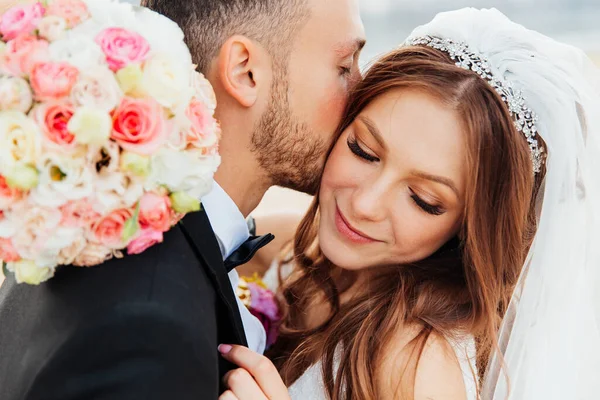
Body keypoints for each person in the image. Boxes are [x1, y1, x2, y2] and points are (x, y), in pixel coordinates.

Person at [216, 8, 600, 400]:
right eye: (363, 151)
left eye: (424, 200)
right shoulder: (281, 246)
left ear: (469, 227)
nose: (366, 204)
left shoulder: (416, 363)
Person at [0, 0, 365, 399]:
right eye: (345, 68)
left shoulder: (90, 225)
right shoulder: (147, 332)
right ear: (246, 71)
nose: (364, 100)